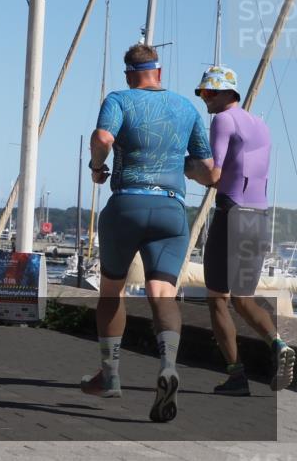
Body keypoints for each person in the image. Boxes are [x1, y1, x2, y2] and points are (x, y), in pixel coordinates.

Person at [81, 43, 213, 423]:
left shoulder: (119, 99)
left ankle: (110, 375)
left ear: (129, 74)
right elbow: (208, 171)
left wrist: (96, 167)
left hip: (127, 205)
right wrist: (184, 169)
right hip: (171, 210)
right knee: (162, 294)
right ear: (160, 72)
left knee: (112, 291)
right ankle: (168, 365)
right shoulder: (186, 108)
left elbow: (102, 138)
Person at [186, 65, 295, 394]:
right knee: (244, 299)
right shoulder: (261, 125)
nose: (204, 98)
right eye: (202, 92)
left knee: (217, 299)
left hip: (231, 214)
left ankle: (236, 377)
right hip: (257, 218)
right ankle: (278, 344)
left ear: (226, 93)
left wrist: (188, 169)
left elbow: (214, 175)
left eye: (209, 92)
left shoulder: (223, 120)